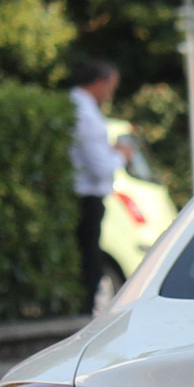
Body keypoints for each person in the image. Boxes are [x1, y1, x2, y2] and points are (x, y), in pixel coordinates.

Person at [69, 59, 125, 311]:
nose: (110, 94)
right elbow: (99, 167)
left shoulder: (79, 107)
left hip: (82, 194)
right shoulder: (86, 114)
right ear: (100, 83)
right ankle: (83, 311)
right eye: (111, 87)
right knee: (89, 259)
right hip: (87, 196)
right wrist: (122, 155)